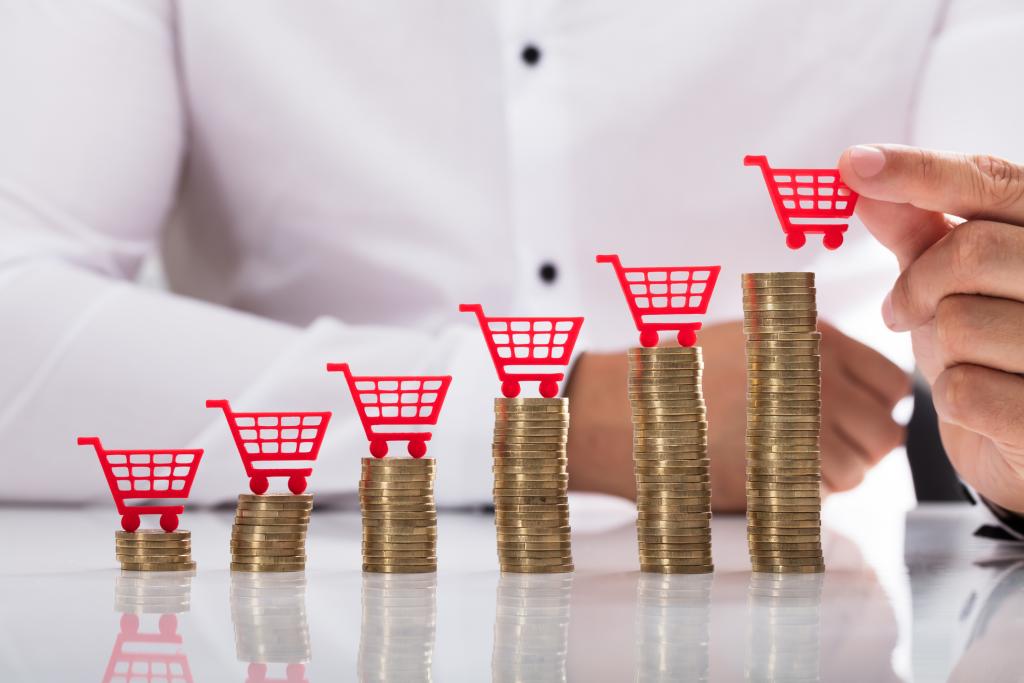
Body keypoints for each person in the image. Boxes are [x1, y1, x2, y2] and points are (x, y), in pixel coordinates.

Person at [0, 2, 1019, 513]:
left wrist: (1010, 427)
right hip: (282, 614)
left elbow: (995, 247)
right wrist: (558, 416)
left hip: (827, 604)